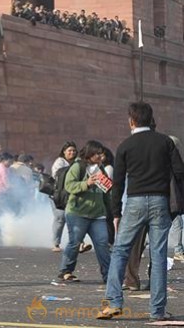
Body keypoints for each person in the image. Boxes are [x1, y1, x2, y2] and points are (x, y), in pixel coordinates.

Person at [99, 102, 184, 322]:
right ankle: (157, 311)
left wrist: (115, 213)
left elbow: (117, 184)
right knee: (158, 256)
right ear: (151, 119)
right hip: (160, 201)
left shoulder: (125, 146)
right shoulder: (165, 142)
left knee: (120, 251)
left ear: (132, 121)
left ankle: (114, 302)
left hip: (135, 201)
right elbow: (180, 173)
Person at [57, 140, 111, 283]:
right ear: (90, 154)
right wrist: (86, 184)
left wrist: (111, 210)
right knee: (75, 242)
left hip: (98, 214)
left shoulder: (100, 168)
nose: (100, 157)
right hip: (77, 212)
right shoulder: (77, 166)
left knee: (102, 243)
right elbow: (69, 186)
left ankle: (108, 275)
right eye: (97, 154)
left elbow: (106, 192)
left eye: (101, 154)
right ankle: (66, 271)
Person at [50, 141, 77, 252]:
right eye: (69, 150)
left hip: (71, 194)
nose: (72, 153)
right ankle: (56, 244)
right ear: (64, 152)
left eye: (74, 151)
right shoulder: (60, 162)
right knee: (60, 218)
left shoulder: (77, 162)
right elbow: (58, 176)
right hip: (58, 195)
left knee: (75, 218)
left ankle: (78, 243)